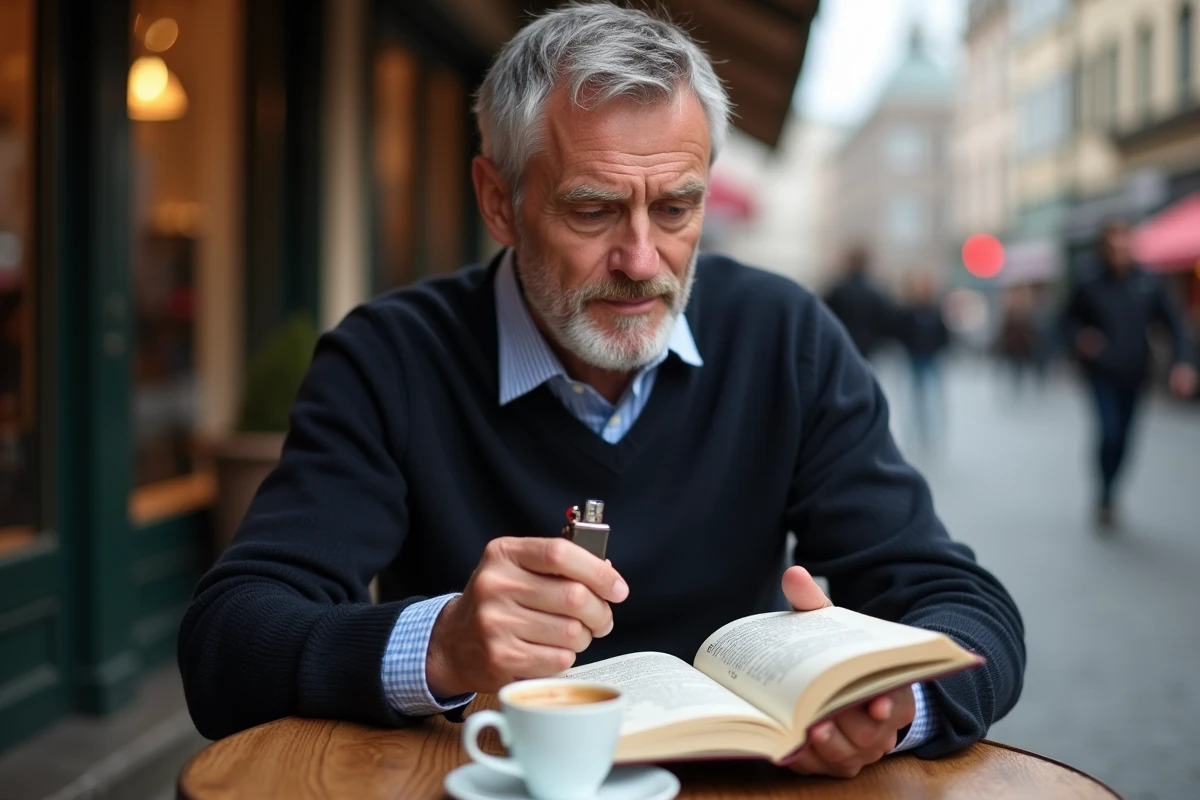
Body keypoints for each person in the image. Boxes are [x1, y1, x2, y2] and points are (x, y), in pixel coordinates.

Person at [178, 3, 1024, 779]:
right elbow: (226, 645)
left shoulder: (784, 338)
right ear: (498, 202)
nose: (643, 260)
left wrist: (890, 706)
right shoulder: (391, 356)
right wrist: (443, 643)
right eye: (593, 211)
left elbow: (969, 611)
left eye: (678, 208)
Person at [1062, 219, 1198, 527]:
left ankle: (1111, 492)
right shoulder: (1088, 280)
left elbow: (1174, 324)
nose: (1120, 251)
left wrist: (1184, 363)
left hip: (1136, 372)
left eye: (1125, 243)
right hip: (1101, 373)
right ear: (1104, 247)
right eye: (1114, 245)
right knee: (1109, 432)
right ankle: (1105, 493)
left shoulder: (1148, 281)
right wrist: (1082, 337)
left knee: (1125, 438)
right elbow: (1067, 321)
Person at [898, 271, 950, 452]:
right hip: (915, 358)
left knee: (934, 397)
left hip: (932, 357)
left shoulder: (935, 311)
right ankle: (917, 432)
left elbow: (944, 334)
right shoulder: (910, 312)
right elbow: (903, 332)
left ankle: (932, 433)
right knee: (916, 397)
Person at [823, 247, 900, 361]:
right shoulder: (875, 292)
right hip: (868, 344)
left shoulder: (838, 291)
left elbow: (826, 316)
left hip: (844, 342)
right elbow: (886, 319)